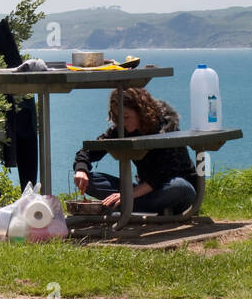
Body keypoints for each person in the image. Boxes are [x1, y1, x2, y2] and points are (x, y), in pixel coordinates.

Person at [73, 87, 198, 216]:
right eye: (118, 117)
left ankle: (122, 208)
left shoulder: (165, 127)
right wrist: (81, 169)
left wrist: (128, 195)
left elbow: (164, 175)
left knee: (179, 187)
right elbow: (90, 150)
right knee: (90, 180)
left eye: (126, 117)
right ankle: (132, 207)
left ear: (141, 112)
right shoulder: (122, 129)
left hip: (172, 188)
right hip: (143, 191)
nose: (122, 122)